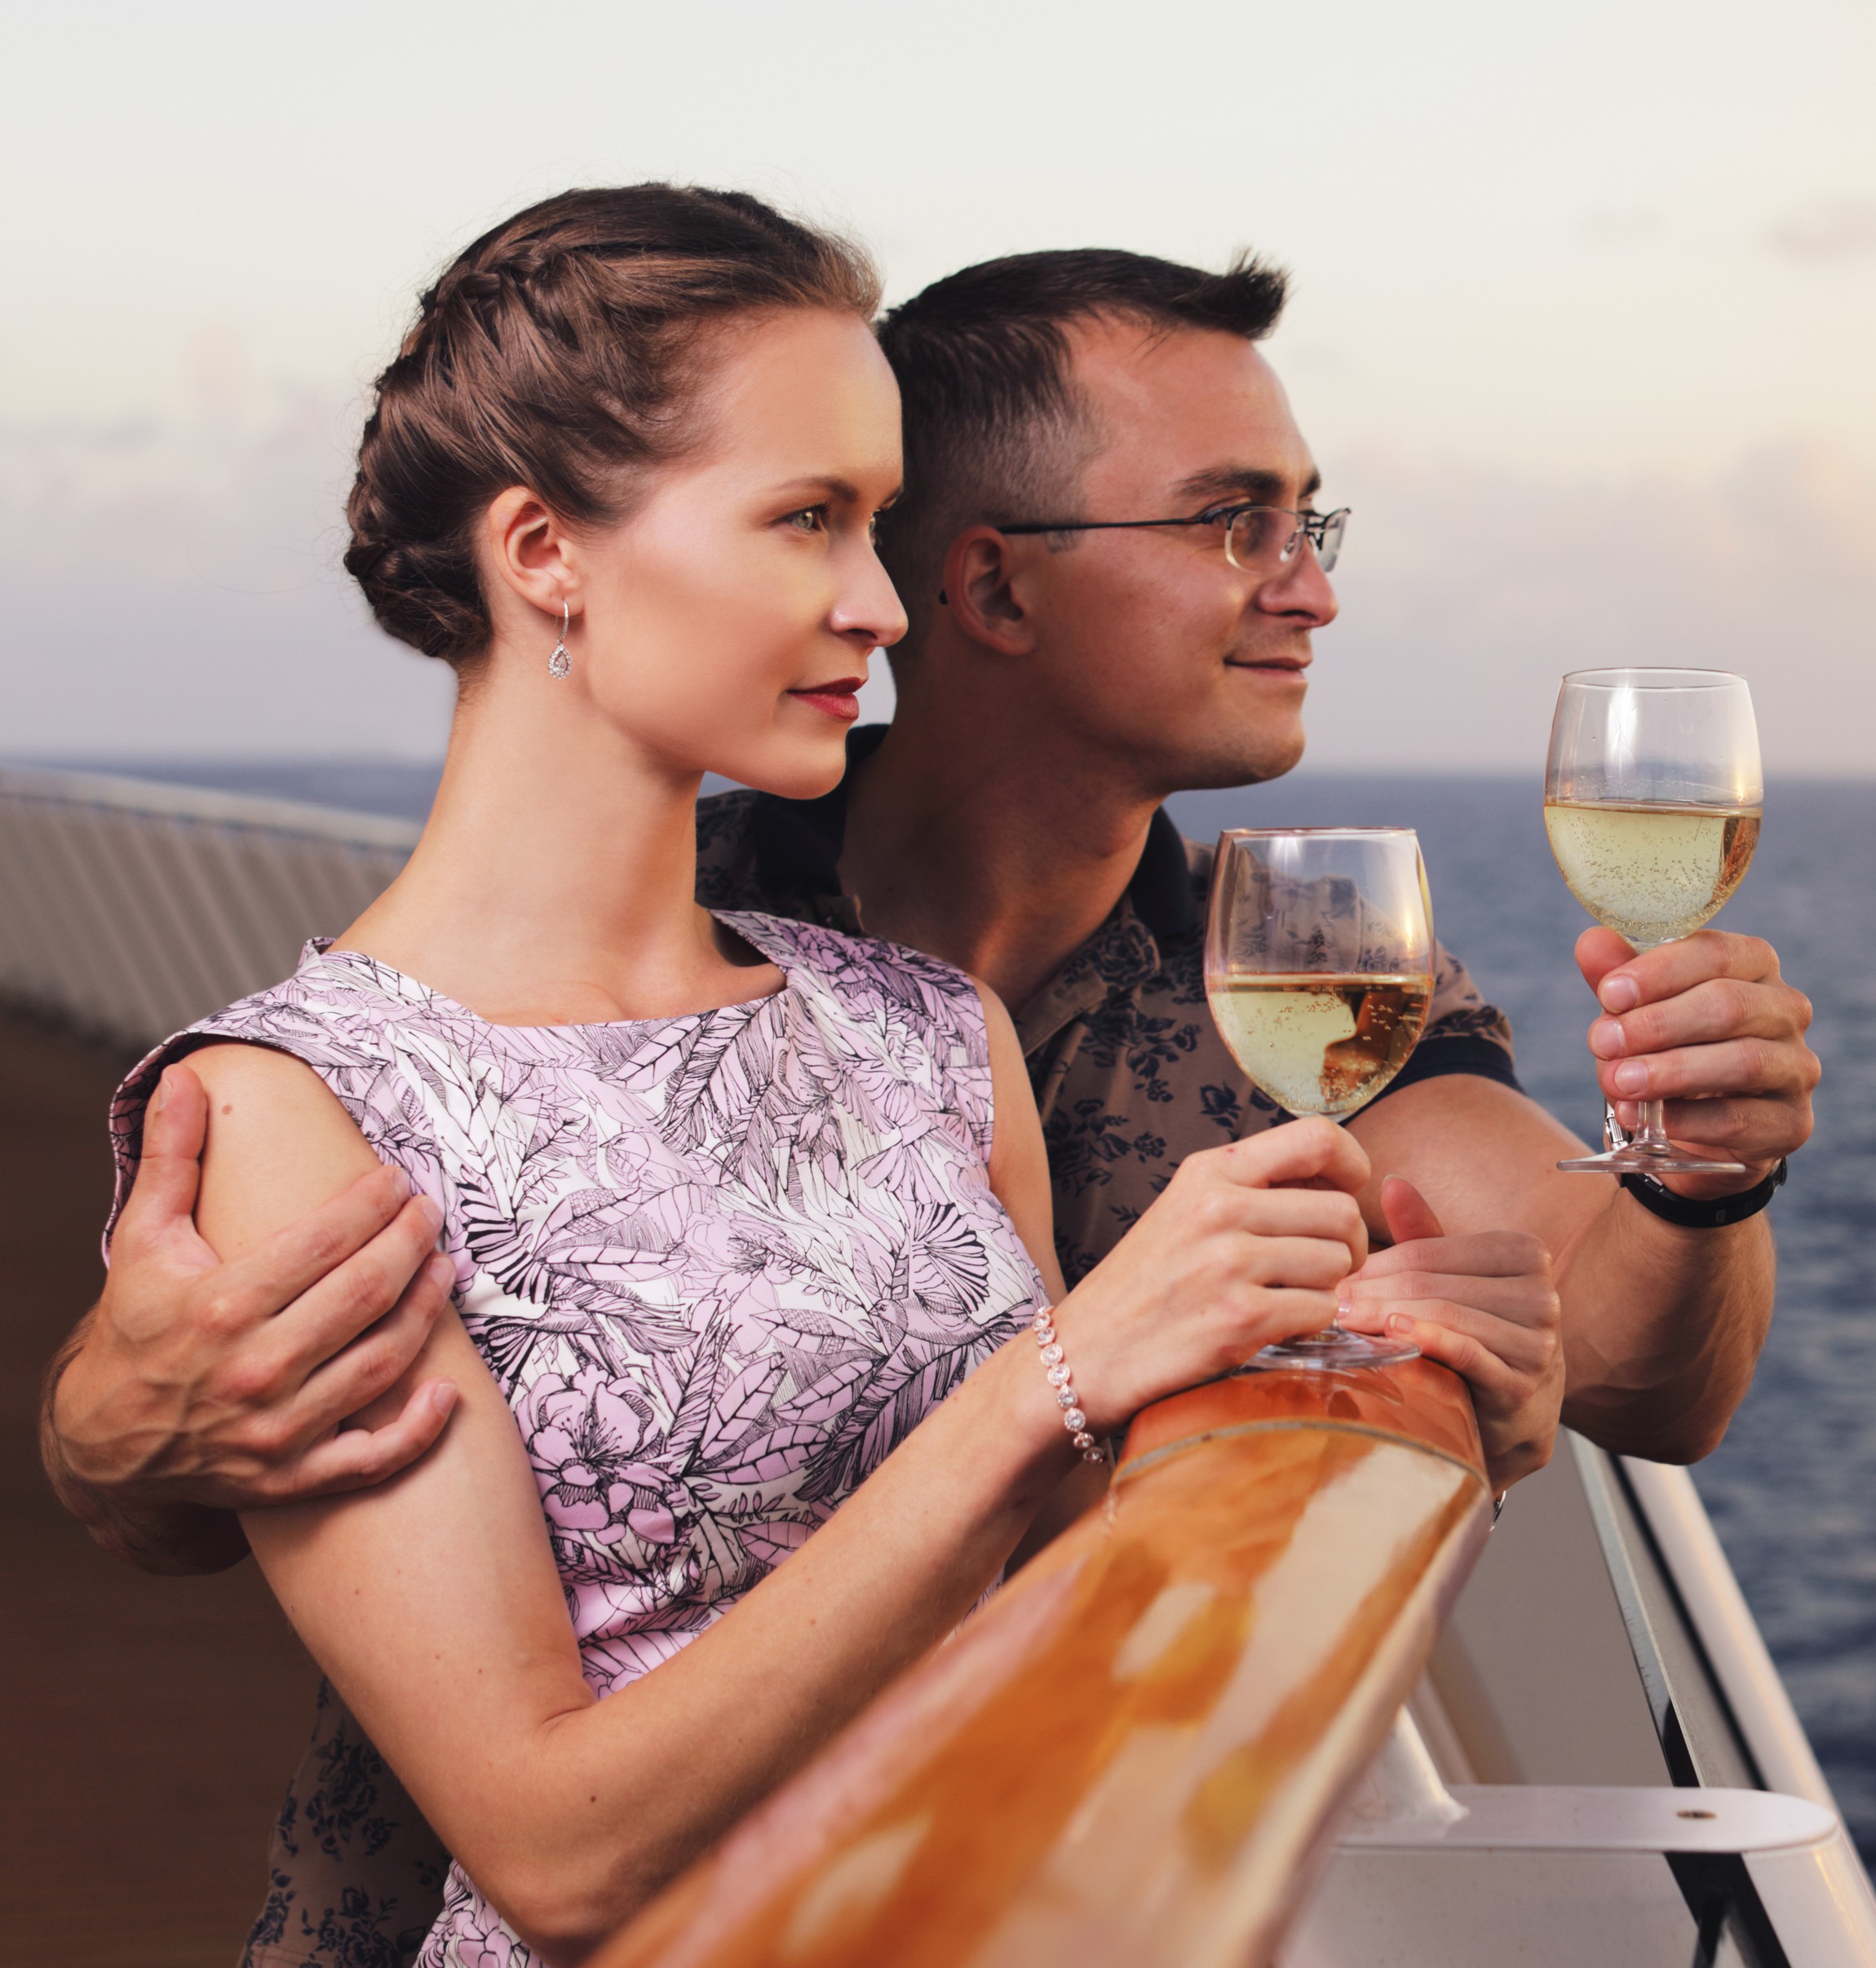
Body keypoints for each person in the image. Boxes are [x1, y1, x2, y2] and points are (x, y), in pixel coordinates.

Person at [86, 184, 1560, 1967]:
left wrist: (1411, 1427)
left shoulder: (922, 1029)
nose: (880, 604)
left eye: (873, 524)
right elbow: (557, 1849)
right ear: (544, 552)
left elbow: (1073, 1593)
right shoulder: (298, 1109)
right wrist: (1051, 1382)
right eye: (807, 520)